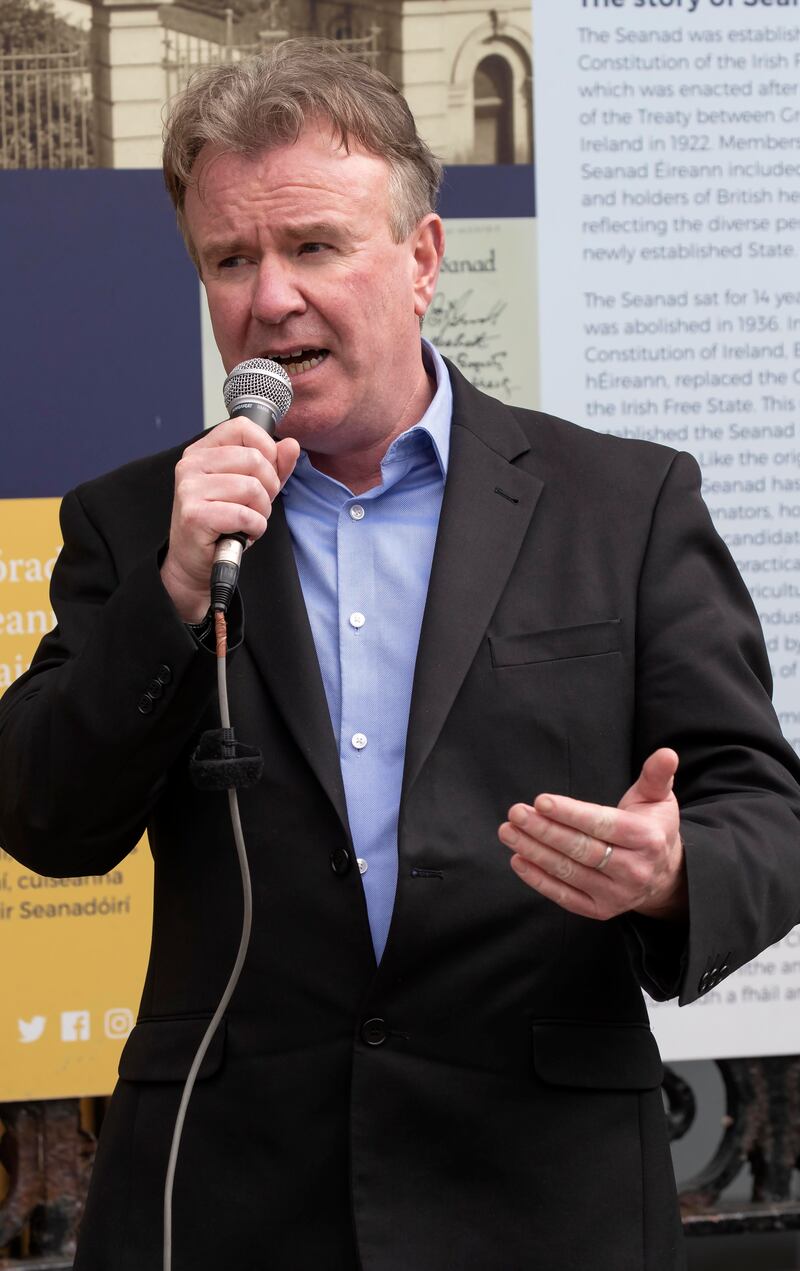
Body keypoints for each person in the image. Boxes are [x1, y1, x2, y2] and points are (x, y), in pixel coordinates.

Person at [1, 38, 800, 1271]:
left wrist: (672, 868)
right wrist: (168, 591)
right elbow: (44, 814)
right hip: (226, 1196)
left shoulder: (619, 502)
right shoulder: (139, 524)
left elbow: (766, 814)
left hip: (538, 1195)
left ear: (421, 258)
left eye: (312, 245)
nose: (268, 298)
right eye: (229, 259)